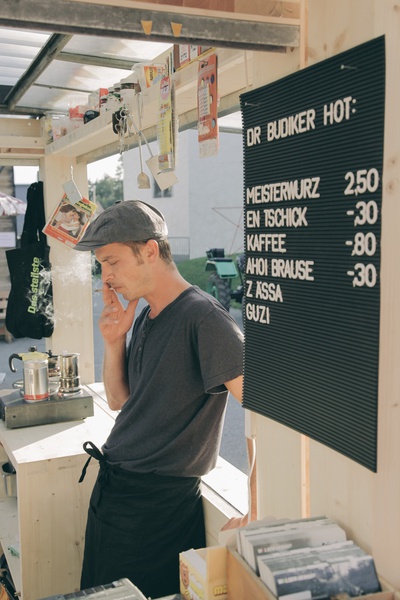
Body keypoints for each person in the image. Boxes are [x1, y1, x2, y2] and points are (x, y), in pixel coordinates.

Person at [74, 200, 256, 598]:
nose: (106, 277)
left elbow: (265, 416)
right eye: (101, 266)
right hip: (115, 493)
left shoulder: (205, 318)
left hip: (157, 510)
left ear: (150, 250)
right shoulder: (147, 314)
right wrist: (114, 341)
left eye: (112, 262)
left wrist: (256, 508)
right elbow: (120, 400)